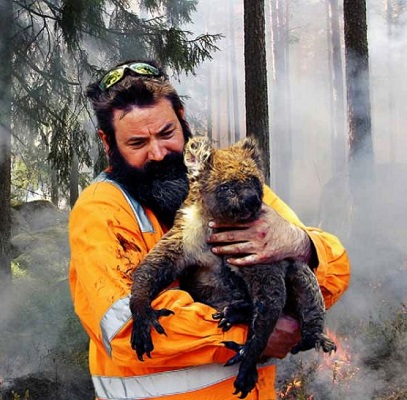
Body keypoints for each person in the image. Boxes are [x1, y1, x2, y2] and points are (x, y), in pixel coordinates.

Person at [68, 60, 350, 400]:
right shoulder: (102, 208)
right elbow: (122, 330)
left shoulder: (231, 178)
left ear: (183, 119)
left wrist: (301, 244)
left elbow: (336, 270)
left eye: (167, 133)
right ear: (107, 141)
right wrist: (249, 331)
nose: (158, 153)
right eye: (138, 143)